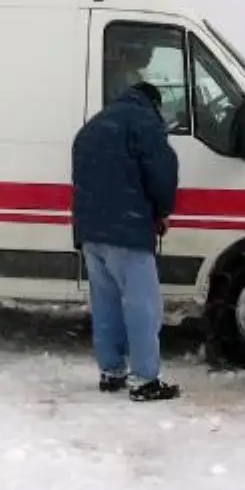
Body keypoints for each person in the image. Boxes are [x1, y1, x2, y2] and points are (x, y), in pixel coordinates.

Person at [71, 81, 180, 401]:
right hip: (128, 231)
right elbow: (162, 172)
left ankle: (111, 371)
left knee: (106, 305)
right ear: (153, 103)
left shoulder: (93, 125)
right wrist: (162, 210)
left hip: (91, 233)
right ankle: (145, 379)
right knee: (142, 306)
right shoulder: (145, 124)